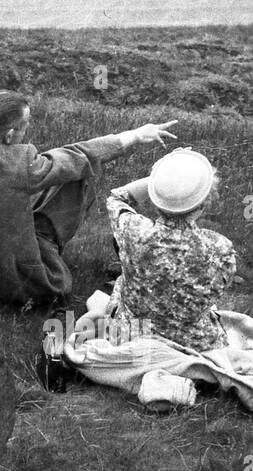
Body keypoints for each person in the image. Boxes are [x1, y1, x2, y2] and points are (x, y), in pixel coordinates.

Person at [0, 90, 178, 309]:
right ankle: (45, 244)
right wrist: (136, 136)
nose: (26, 130)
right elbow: (79, 155)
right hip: (4, 275)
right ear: (10, 135)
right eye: (24, 126)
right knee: (74, 174)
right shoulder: (23, 165)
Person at [101, 148, 237, 353]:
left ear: (156, 198)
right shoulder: (221, 248)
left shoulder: (133, 230)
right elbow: (211, 296)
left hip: (129, 338)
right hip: (196, 345)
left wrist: (163, 178)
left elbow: (117, 198)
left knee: (119, 285)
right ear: (205, 203)